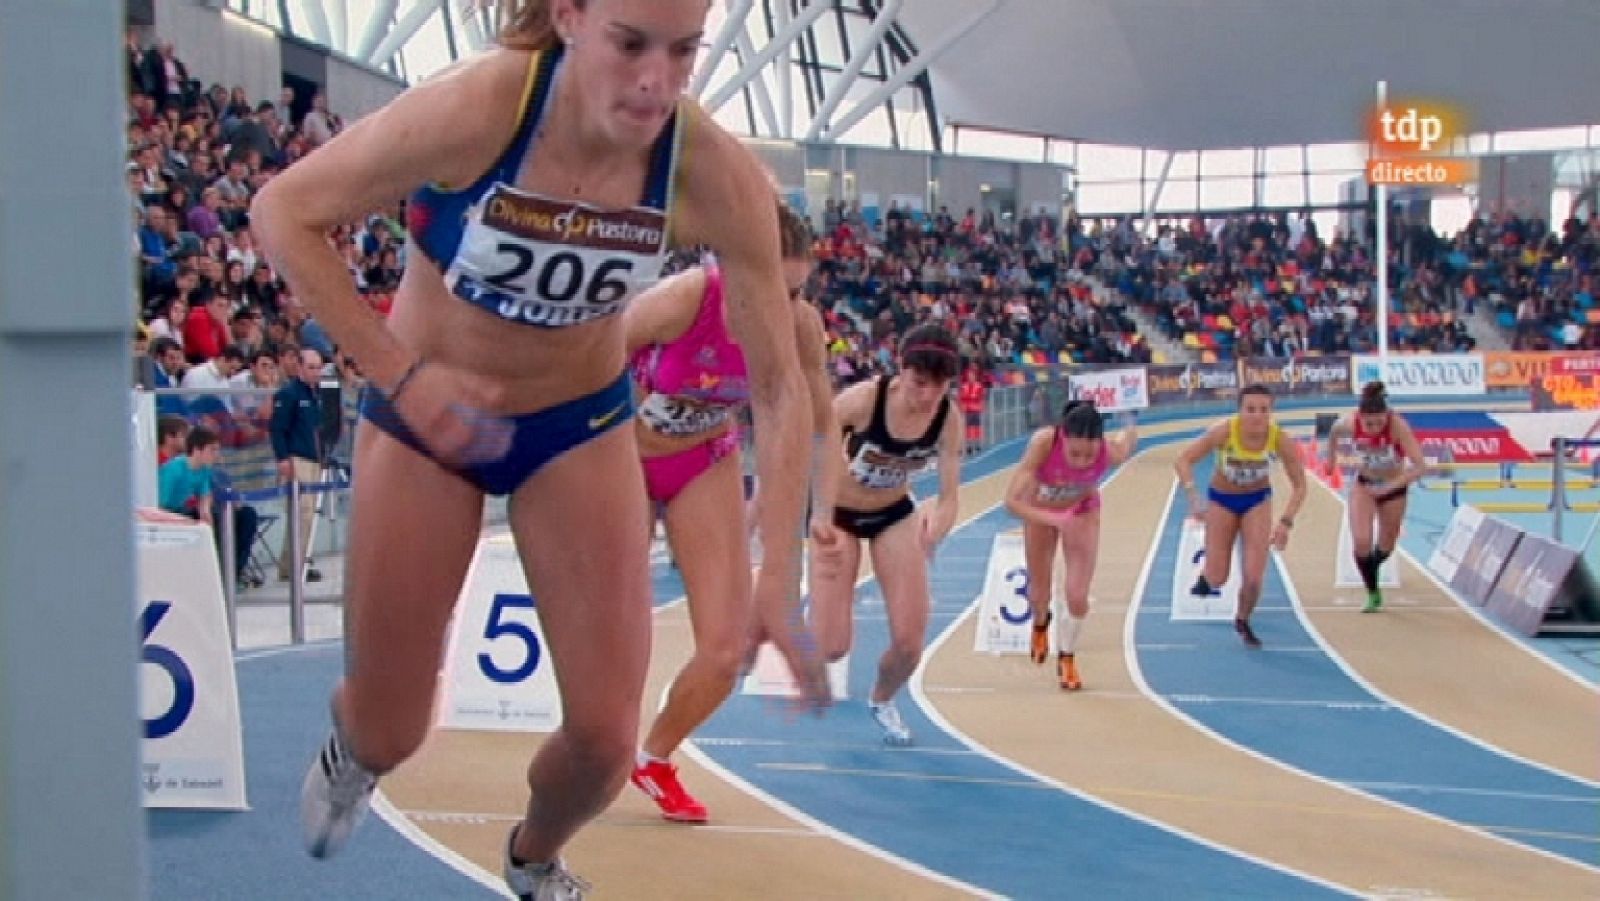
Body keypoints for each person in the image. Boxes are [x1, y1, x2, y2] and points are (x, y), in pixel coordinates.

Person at [250, 1, 824, 897]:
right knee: (392, 729)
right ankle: (356, 740)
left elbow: (781, 387)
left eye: (683, 53)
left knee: (605, 743)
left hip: (576, 426)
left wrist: (778, 572)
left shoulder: (709, 170)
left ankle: (534, 856)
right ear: (569, 17)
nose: (656, 83)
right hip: (427, 419)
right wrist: (404, 378)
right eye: (630, 45)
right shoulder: (479, 108)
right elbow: (282, 212)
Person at [623, 200, 840, 823]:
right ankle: (597, 741)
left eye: (796, 292)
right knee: (618, 627)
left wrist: (822, 510)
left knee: (727, 647)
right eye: (771, 288)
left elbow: (821, 423)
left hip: (704, 460)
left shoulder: (800, 328)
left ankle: (653, 758)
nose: (782, 306)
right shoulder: (682, 300)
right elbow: (585, 363)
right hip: (623, 456)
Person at [808, 324, 963, 746]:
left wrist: (936, 529)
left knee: (910, 644)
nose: (927, 396)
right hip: (839, 514)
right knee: (832, 646)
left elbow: (949, 497)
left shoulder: (947, 419)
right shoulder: (863, 400)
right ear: (900, 369)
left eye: (939, 386)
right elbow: (814, 444)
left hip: (893, 514)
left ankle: (882, 699)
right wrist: (819, 511)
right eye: (919, 383)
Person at [1003, 400, 1136, 689]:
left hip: (1082, 513)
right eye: (1074, 453)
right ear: (1063, 437)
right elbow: (1011, 502)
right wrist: (1053, 519)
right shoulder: (1044, 443)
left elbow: (1126, 444)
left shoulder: (1108, 453)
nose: (1082, 462)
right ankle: (1041, 621)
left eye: (1089, 455)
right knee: (1039, 592)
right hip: (1040, 510)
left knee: (1077, 596)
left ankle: (1067, 656)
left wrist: (1130, 421)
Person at [1174, 384, 1307, 648]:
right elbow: (1183, 460)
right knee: (1217, 577)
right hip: (1222, 500)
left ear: (1271, 412)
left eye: (1264, 410)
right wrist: (1193, 496)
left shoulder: (1279, 439)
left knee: (1254, 578)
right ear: (1240, 411)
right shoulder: (1224, 432)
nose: (1257, 416)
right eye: (1250, 409)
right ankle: (1206, 576)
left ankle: (1243, 619)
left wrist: (1285, 522)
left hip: (1256, 501)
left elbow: (1300, 486)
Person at [1325, 380, 1426, 612]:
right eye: (1369, 424)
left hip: (1394, 488)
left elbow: (1420, 467)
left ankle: (1372, 567)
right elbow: (1333, 434)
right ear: (1360, 418)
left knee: (1386, 544)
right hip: (1365, 485)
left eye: (1379, 423)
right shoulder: (1348, 424)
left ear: (1386, 416)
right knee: (1361, 541)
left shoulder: (1398, 427)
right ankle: (1373, 592)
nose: (1374, 429)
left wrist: (1389, 487)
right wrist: (1331, 459)